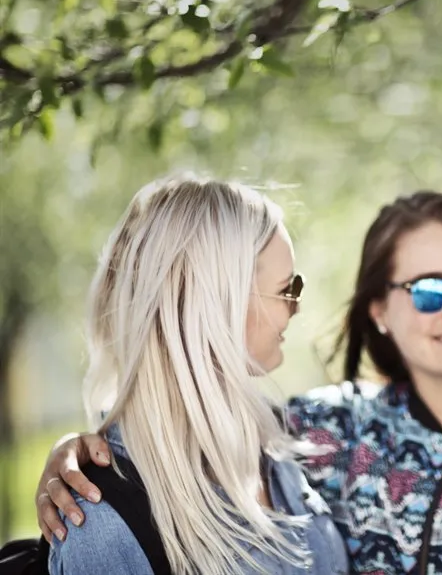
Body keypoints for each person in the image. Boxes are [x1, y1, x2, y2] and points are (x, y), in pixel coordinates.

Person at [36, 191, 442, 574]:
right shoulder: (321, 432)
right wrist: (80, 449)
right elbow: (176, 429)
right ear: (378, 310)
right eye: (427, 289)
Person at [44, 175, 347, 574]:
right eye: (288, 288)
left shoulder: (281, 438)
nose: (297, 307)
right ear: (216, 307)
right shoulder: (102, 526)